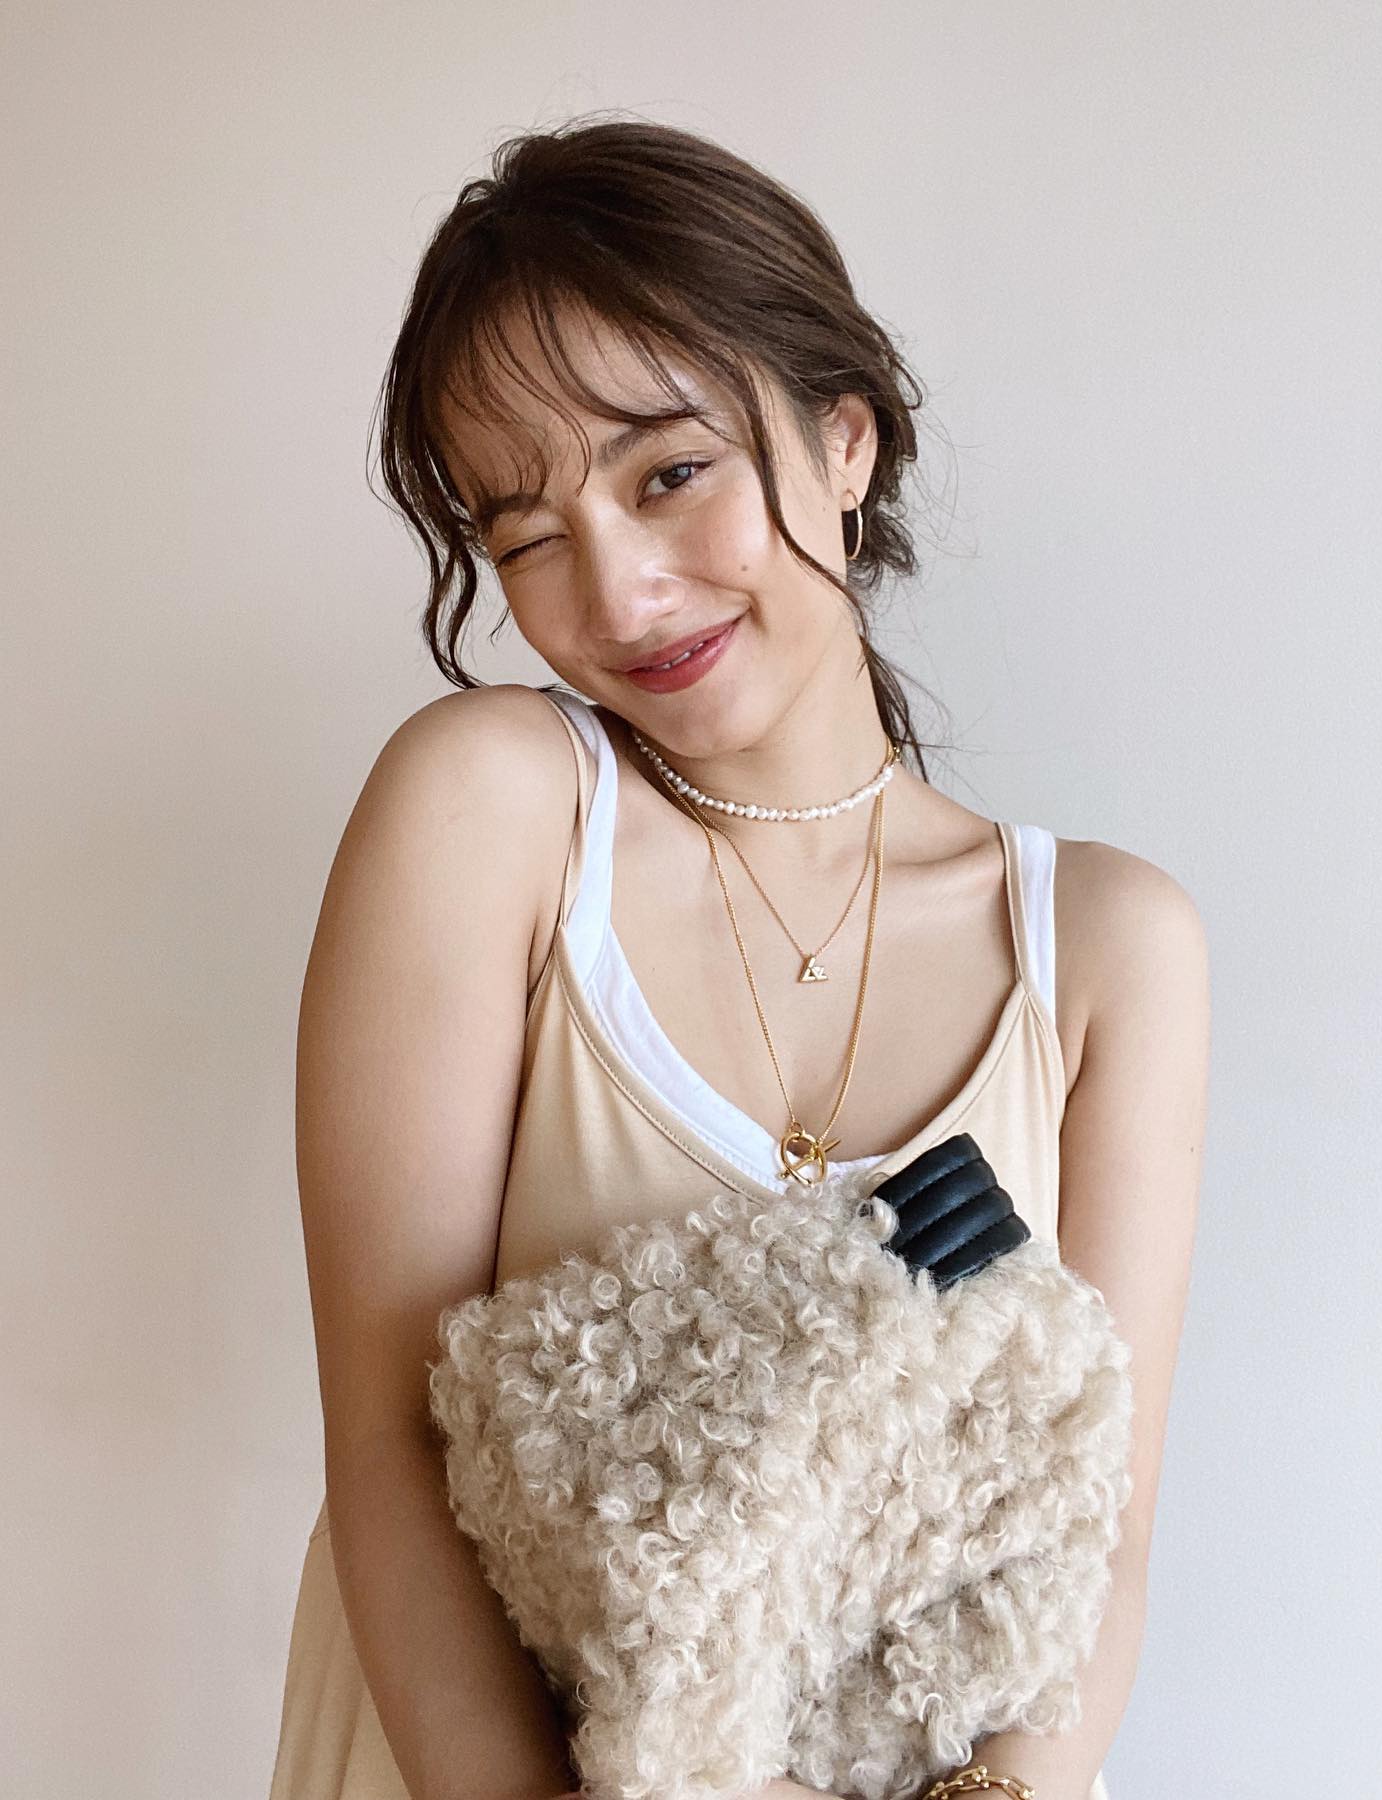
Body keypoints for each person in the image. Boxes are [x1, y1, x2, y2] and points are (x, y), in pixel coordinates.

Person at [268, 115, 1209, 1800]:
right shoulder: (490, 810)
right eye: (524, 532)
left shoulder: (1107, 951)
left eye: (668, 474)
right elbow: (390, 1459)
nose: (620, 593)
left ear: (843, 440)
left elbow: (1101, 1535)